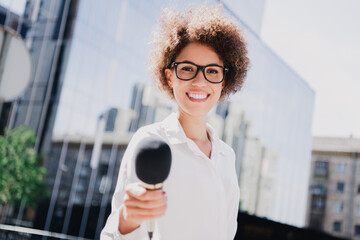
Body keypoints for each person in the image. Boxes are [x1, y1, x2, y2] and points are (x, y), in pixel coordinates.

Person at [101, 4, 249, 240]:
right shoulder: (150, 142)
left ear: (224, 81)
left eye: (212, 71)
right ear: (170, 76)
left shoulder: (226, 156)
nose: (200, 81)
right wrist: (127, 220)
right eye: (188, 69)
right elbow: (113, 236)